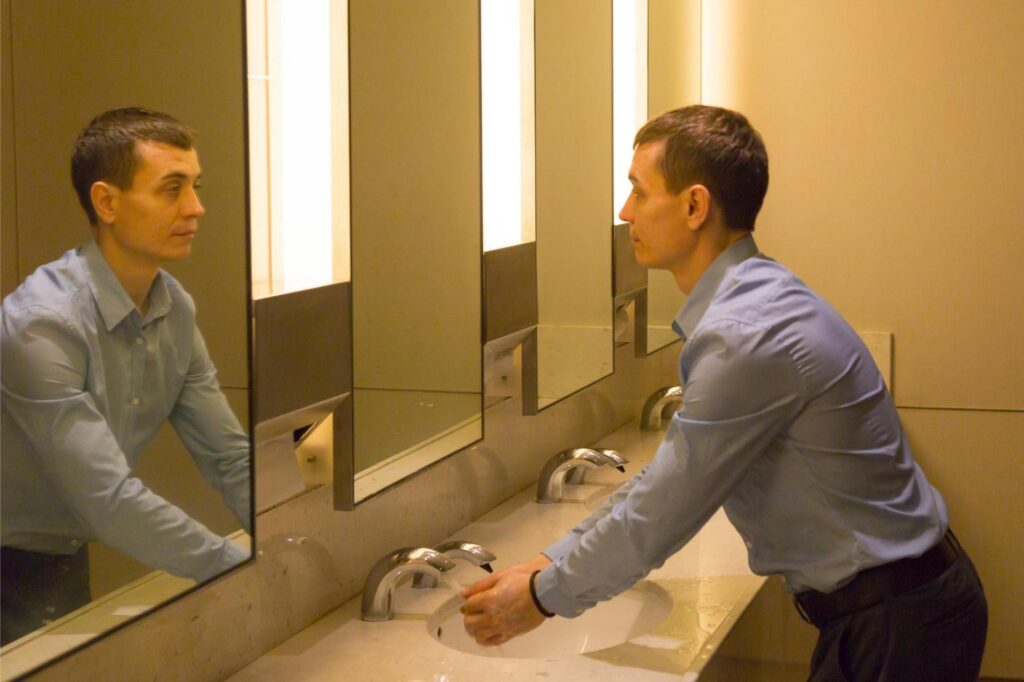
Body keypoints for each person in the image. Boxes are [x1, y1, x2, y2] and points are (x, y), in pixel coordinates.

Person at [460, 105, 988, 681]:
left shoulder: (745, 333)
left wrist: (541, 596)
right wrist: (549, 560)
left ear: (694, 206)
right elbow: (666, 480)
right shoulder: (756, 300)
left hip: (898, 621)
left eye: (639, 191)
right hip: (902, 605)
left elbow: (666, 508)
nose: (625, 211)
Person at [1, 108, 251, 644]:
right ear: (107, 202)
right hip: (11, 559)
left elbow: (230, 458)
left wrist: (284, 534)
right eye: (172, 189)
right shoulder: (42, 324)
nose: (196, 207)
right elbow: (108, 499)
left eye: (196, 186)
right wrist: (239, 566)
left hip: (62, 552)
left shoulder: (173, 307)